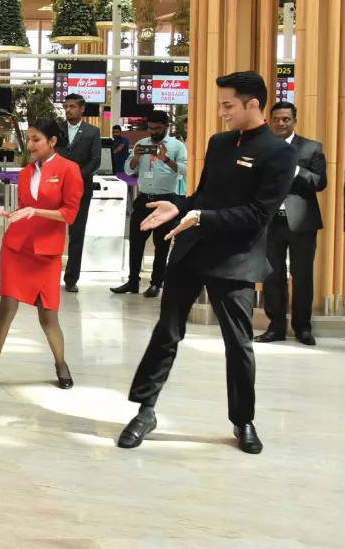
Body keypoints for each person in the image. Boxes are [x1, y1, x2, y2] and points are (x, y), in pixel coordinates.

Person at [118, 71, 296, 455]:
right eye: (220, 104)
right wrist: (179, 207)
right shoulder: (218, 144)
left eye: (228, 105)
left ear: (253, 104)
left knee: (238, 343)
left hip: (236, 259)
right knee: (167, 331)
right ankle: (145, 410)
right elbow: (202, 196)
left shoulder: (280, 153)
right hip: (192, 251)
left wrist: (203, 217)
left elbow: (257, 214)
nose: (222, 112)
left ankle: (243, 420)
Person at [0, 116, 83, 390]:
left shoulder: (69, 170)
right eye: (30, 138)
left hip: (47, 252)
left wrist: (36, 211)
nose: (31, 144)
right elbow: (25, 211)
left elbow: (69, 214)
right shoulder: (25, 172)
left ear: (52, 141)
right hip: (17, 248)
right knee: (6, 307)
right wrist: (4, 212)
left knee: (48, 316)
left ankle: (60, 363)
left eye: (36, 139)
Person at [257, 101, 326, 346]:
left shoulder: (311, 147)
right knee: (272, 276)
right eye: (276, 119)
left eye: (286, 119)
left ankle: (302, 328)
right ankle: (275, 327)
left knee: (302, 276)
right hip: (271, 222)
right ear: (270, 121)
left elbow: (319, 182)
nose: (281, 123)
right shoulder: (262, 148)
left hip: (302, 223)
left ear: (294, 120)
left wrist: (296, 170)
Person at [110, 110, 187, 299]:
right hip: (143, 199)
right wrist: (135, 157)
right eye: (151, 128)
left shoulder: (176, 146)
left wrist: (166, 159)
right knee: (136, 242)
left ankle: (155, 284)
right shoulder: (141, 144)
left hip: (166, 201)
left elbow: (186, 170)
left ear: (166, 127)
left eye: (158, 129)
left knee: (161, 245)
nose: (153, 132)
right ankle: (132, 281)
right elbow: (128, 169)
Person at [57, 94, 102, 292]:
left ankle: (71, 279)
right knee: (50, 231)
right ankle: (45, 274)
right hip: (55, 187)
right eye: (66, 106)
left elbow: (95, 161)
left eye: (72, 106)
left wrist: (75, 178)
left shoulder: (92, 132)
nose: (68, 110)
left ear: (82, 109)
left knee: (76, 234)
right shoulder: (56, 130)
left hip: (80, 189)